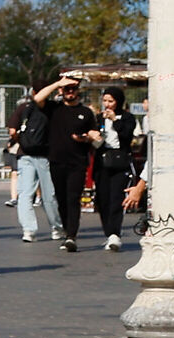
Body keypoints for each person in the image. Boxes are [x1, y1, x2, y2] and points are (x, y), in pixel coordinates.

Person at [26, 75, 102, 255]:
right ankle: (67, 231)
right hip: (56, 161)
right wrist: (58, 83)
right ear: (61, 91)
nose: (70, 92)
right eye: (67, 89)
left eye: (73, 89)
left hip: (78, 162)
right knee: (60, 199)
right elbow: (37, 98)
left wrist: (87, 137)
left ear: (78, 91)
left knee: (73, 198)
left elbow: (96, 137)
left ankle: (71, 237)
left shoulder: (86, 112)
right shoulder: (54, 109)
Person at [5, 88, 61, 244]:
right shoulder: (53, 108)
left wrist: (22, 140)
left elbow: (12, 130)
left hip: (25, 154)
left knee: (24, 194)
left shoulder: (24, 108)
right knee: (49, 194)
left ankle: (28, 230)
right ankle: (56, 227)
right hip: (46, 155)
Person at [94, 87, 141, 251]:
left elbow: (127, 135)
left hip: (120, 161)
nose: (107, 105)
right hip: (102, 161)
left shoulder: (127, 117)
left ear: (118, 102)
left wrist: (115, 120)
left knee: (116, 198)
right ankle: (108, 233)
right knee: (103, 199)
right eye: (105, 101)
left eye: (111, 101)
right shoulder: (99, 117)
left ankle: (115, 234)